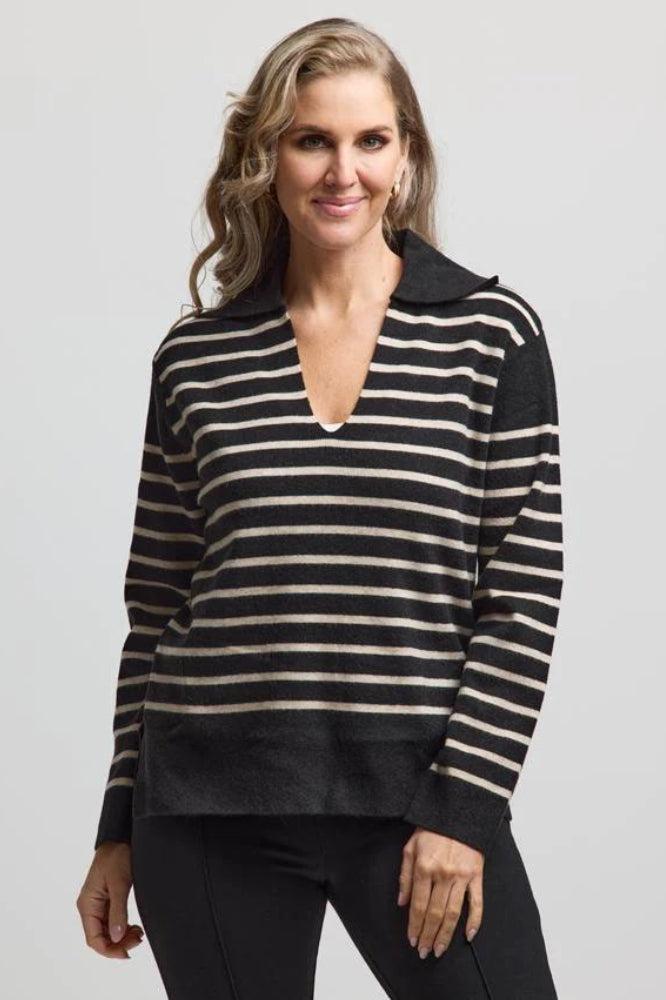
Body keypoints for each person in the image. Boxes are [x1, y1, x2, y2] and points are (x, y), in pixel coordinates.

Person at [77, 17, 563, 999]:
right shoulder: (196, 360)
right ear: (268, 155)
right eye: (312, 140)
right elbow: (157, 606)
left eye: (370, 140)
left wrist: (464, 810)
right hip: (208, 809)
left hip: (417, 801)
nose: (344, 172)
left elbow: (520, 597)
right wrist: (116, 825)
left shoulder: (489, 335)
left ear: (405, 154)